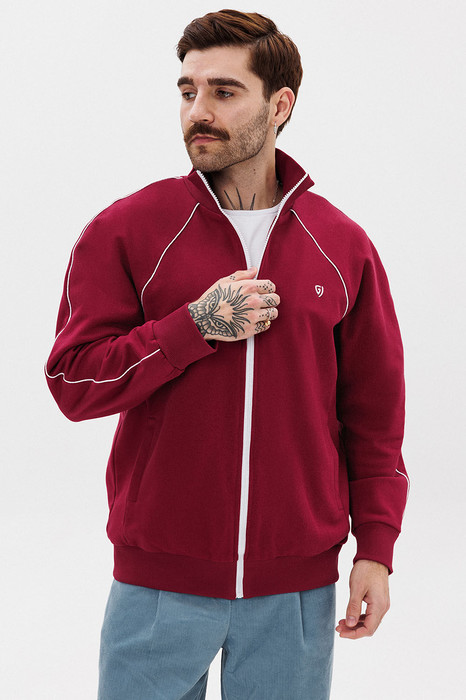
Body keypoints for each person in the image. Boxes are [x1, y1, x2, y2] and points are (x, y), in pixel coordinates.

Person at [45, 9, 409, 700]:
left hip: (294, 593)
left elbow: (374, 417)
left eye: (223, 91)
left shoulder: (343, 245)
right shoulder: (128, 230)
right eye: (187, 91)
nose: (198, 112)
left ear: (280, 105)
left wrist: (377, 550)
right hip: (157, 588)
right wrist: (193, 327)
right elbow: (73, 380)